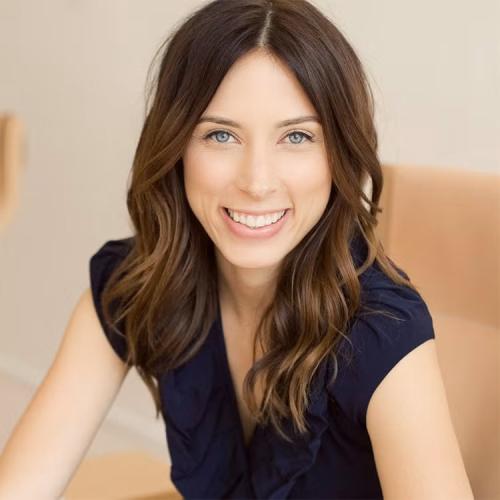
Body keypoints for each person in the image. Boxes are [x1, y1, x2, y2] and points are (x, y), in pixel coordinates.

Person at [0, 0, 474, 498]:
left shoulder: (383, 329)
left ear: (338, 155)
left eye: (297, 136)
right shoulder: (138, 283)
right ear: (176, 146)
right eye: (221, 135)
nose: (257, 181)